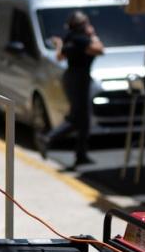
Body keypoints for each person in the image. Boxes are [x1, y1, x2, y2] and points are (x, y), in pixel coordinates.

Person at [38, 11, 104, 168]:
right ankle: (48, 138)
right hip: (78, 78)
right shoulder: (81, 39)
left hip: (74, 77)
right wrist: (93, 35)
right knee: (77, 118)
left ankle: (80, 155)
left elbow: (60, 56)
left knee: (84, 119)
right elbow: (100, 50)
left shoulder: (71, 38)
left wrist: (59, 44)